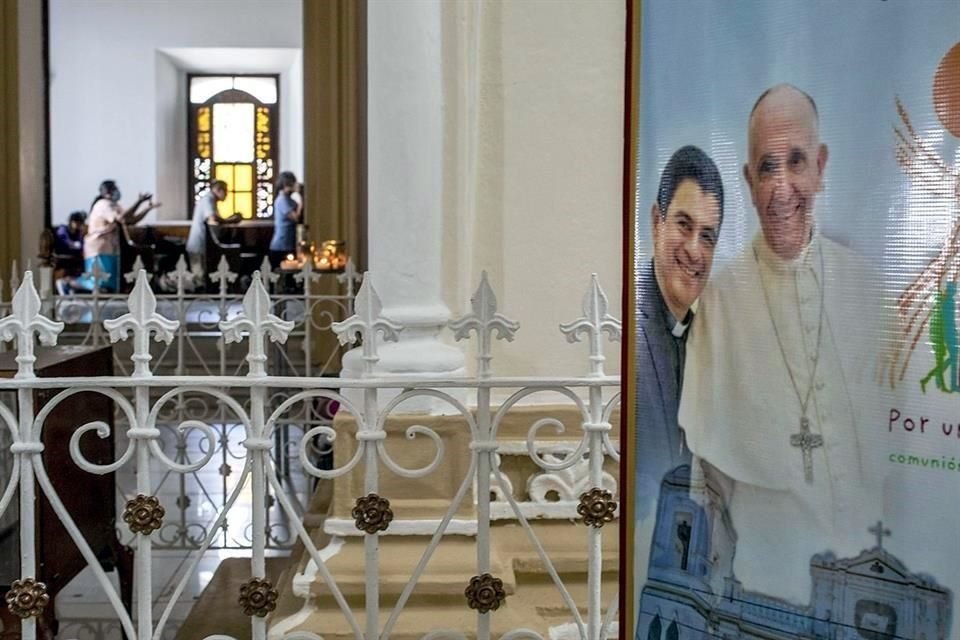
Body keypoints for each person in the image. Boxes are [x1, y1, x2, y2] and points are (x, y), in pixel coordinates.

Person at [677, 84, 881, 605]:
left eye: (796, 162)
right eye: (767, 168)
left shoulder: (866, 286)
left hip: (871, 576)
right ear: (748, 180)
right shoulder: (719, 304)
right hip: (767, 590)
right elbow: (711, 484)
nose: (783, 188)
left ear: (821, 165)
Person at [635, 145, 723, 521]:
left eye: (707, 236)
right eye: (684, 225)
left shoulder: (710, 339)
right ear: (657, 221)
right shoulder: (626, 329)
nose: (693, 250)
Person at [77, 179, 161, 293]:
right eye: (115, 189)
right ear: (108, 192)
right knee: (98, 281)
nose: (117, 192)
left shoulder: (114, 205)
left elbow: (130, 219)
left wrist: (146, 207)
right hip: (99, 248)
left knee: (109, 280)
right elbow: (121, 218)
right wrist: (138, 201)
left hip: (111, 247)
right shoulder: (102, 205)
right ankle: (70, 283)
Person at [186, 179, 229, 279]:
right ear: (218, 190)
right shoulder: (207, 200)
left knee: (203, 275)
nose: (226, 195)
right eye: (225, 191)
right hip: (199, 244)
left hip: (204, 245)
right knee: (199, 276)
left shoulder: (211, 200)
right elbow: (212, 218)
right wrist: (229, 221)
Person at [269, 171, 303, 268]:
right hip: (281, 246)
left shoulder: (290, 200)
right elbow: (296, 217)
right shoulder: (282, 200)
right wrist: (301, 197)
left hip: (290, 244)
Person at [53, 211, 87, 295]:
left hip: (74, 258)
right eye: (77, 222)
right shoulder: (63, 229)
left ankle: (71, 287)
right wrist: (73, 244)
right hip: (62, 258)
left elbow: (81, 244)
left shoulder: (78, 233)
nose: (78, 225)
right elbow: (65, 242)